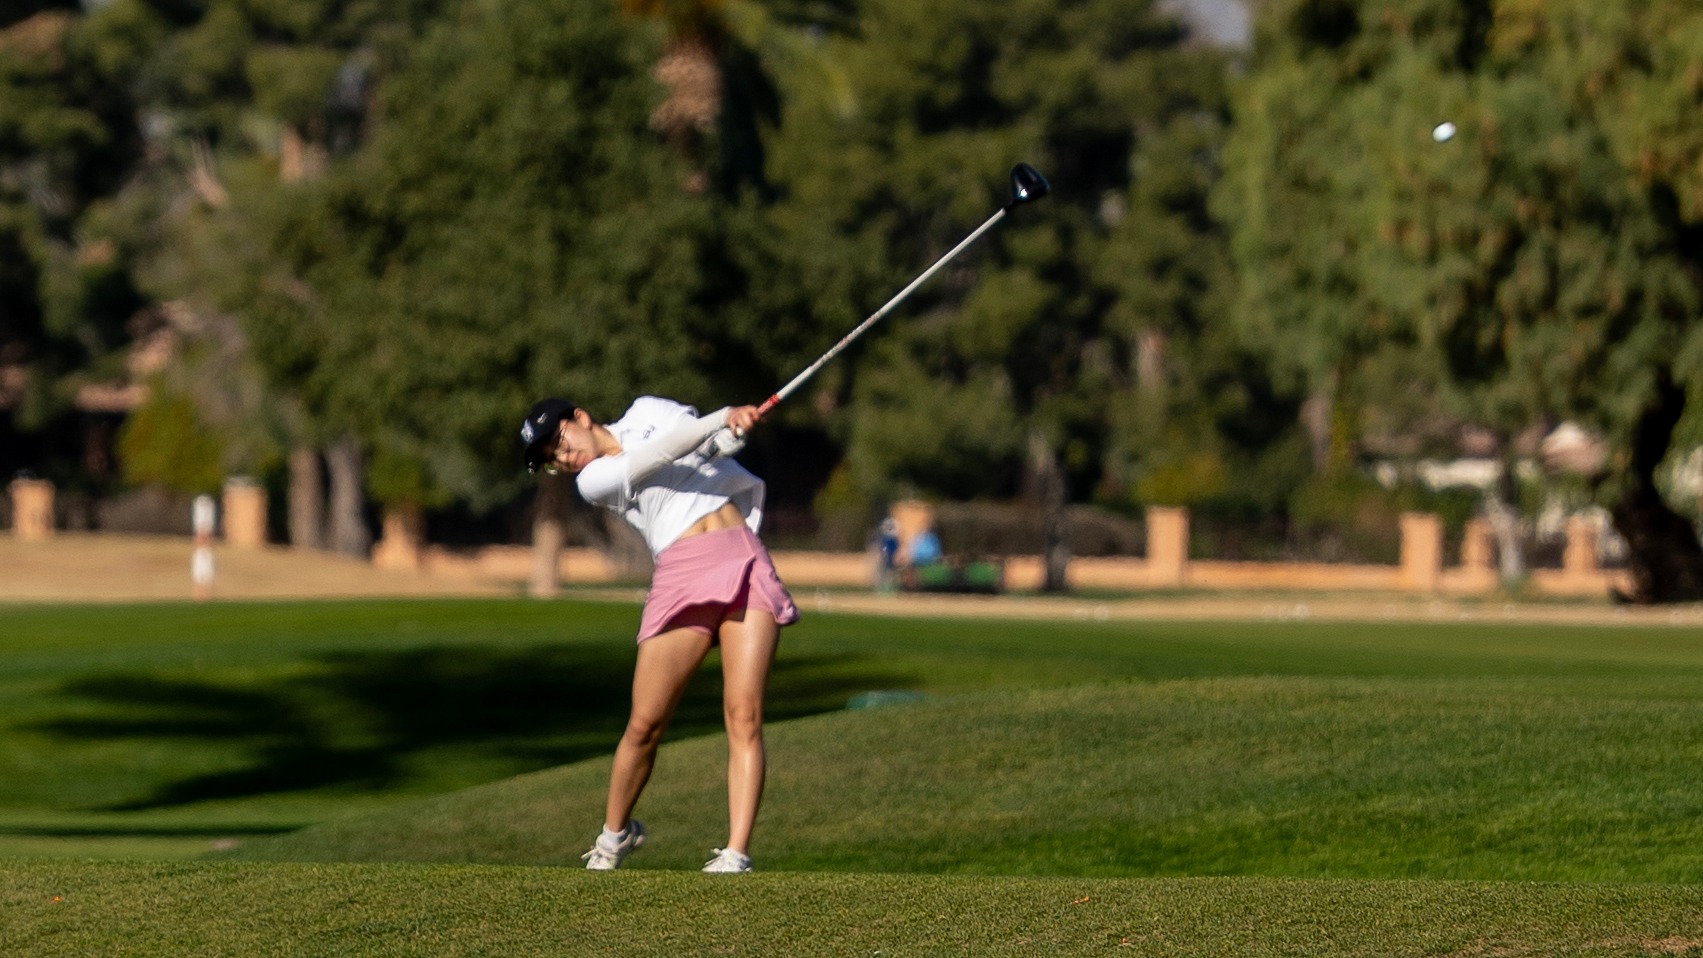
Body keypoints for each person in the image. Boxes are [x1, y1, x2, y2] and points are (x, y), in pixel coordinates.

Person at [520, 395, 799, 874]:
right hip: (683, 572)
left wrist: (732, 433)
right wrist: (722, 417)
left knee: (745, 714)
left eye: (559, 443)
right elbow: (666, 452)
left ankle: (736, 853)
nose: (563, 460)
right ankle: (614, 837)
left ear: (580, 418)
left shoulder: (648, 409)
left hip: (743, 555)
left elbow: (711, 447)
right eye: (552, 460)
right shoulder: (593, 481)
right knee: (645, 725)